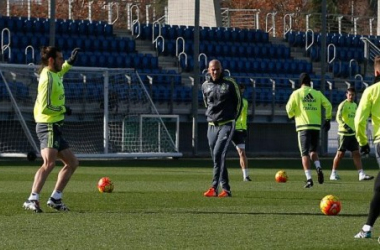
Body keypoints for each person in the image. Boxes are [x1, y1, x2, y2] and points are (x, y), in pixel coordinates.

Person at [22, 46, 80, 213]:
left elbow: (60, 73)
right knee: (49, 163)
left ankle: (55, 198)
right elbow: (46, 107)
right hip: (47, 124)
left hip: (55, 126)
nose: (62, 61)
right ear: (51, 60)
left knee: (73, 163)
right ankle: (32, 198)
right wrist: (63, 109)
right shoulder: (47, 78)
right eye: (61, 59)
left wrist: (69, 63)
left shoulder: (55, 73)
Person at [202, 59, 242, 197]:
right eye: (212, 69)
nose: (215, 71)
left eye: (217, 69)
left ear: (221, 69)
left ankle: (214, 187)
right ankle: (226, 189)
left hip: (226, 124)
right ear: (208, 70)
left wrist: (232, 120)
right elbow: (206, 103)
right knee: (217, 157)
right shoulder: (205, 86)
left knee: (219, 154)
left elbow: (239, 103)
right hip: (211, 126)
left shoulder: (230, 83)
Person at [285, 72, 332, 188]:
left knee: (304, 154)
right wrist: (327, 119)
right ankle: (318, 167)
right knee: (313, 152)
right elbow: (329, 105)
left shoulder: (296, 93)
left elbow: (289, 108)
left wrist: (292, 115)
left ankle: (309, 179)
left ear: (300, 82)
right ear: (310, 82)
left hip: (303, 126)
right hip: (315, 126)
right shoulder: (317, 93)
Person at [354, 55, 380, 239]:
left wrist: (363, 142)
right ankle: (367, 228)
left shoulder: (371, 91)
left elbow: (359, 120)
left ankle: (367, 228)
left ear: (377, 72)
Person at [330, 87, 374, 181]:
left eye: (353, 95)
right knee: (340, 154)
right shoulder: (343, 105)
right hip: (343, 134)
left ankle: (361, 174)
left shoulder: (355, 105)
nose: (351, 96)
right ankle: (333, 173)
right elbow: (338, 117)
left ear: (355, 95)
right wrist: (346, 127)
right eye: (349, 94)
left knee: (356, 153)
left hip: (353, 134)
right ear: (346, 95)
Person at [231, 84, 251, 181]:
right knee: (220, 152)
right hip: (228, 128)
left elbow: (243, 116)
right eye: (240, 90)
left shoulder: (244, 102)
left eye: (242, 90)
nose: (241, 92)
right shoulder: (230, 101)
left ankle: (245, 176)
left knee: (242, 152)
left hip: (239, 130)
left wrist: (244, 128)